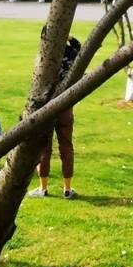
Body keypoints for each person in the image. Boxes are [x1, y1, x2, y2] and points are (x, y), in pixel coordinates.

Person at [29, 36, 81, 200]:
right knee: (66, 147)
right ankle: (67, 189)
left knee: (44, 148)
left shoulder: (47, 57)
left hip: (47, 106)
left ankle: (43, 188)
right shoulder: (73, 56)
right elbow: (79, 47)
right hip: (66, 106)